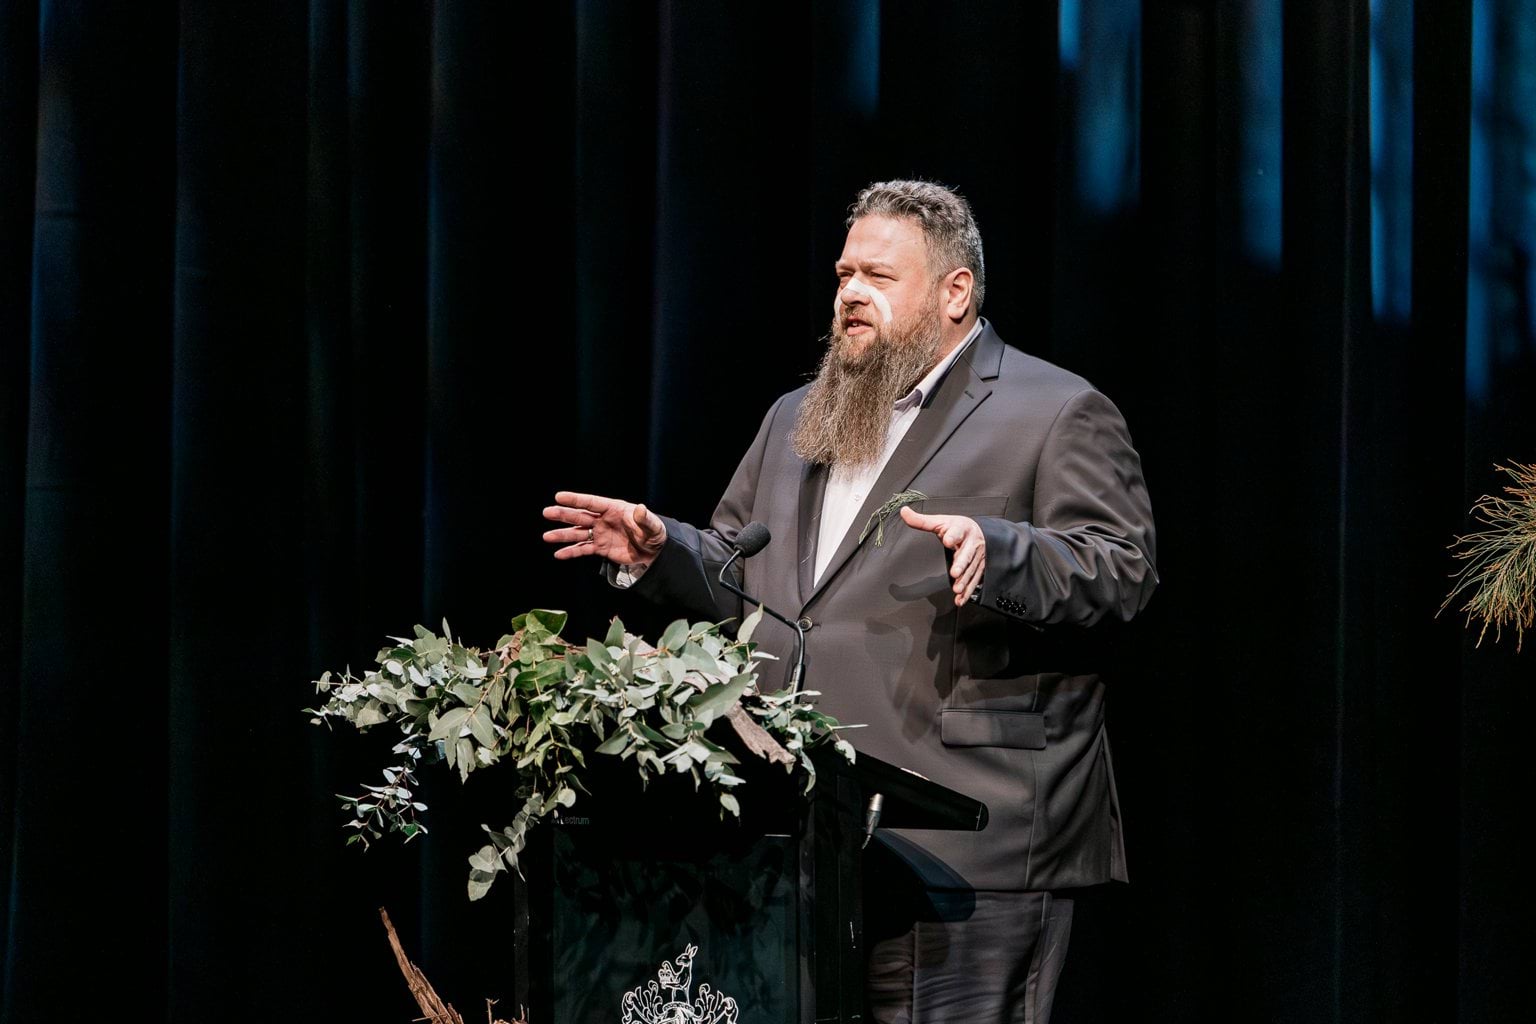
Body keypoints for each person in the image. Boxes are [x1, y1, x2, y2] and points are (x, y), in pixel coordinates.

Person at [542, 179, 1157, 1023]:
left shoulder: (1054, 411)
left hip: (974, 843)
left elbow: (1121, 571)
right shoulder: (798, 417)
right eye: (843, 275)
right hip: (808, 834)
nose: (851, 295)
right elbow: (745, 572)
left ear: (955, 292)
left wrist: (1003, 549)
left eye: (878, 276)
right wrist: (663, 554)